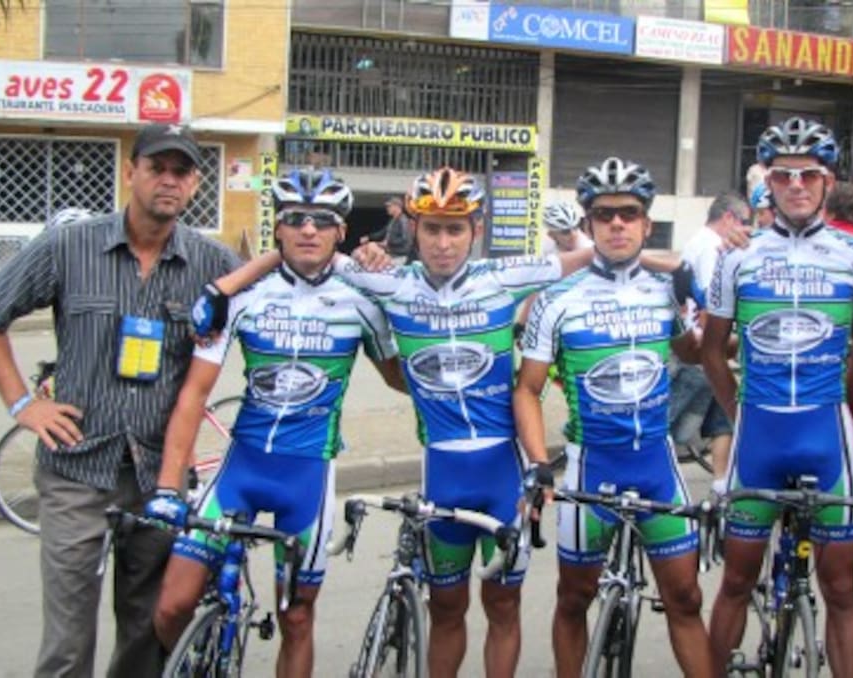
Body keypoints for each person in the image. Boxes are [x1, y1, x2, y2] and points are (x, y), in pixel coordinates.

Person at [196, 166, 631, 677]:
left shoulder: (501, 277)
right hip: (442, 474)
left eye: (455, 229)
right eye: (432, 229)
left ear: (476, 229)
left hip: (504, 476)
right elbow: (303, 251)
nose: (443, 243)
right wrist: (222, 289)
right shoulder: (389, 283)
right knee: (445, 611)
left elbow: (603, 253)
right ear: (414, 229)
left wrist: (676, 266)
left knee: (502, 606)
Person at [0, 123, 239, 678]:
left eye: (181, 172)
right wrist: (23, 406)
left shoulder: (212, 264)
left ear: (194, 184)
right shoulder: (69, 246)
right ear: (130, 172)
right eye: (156, 168)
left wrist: (365, 261)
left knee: (145, 633)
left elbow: (291, 286)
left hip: (158, 478)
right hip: (76, 471)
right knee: (68, 640)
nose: (168, 180)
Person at [147, 171, 404, 677]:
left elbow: (398, 378)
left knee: (297, 618)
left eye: (322, 221)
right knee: (171, 606)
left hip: (306, 476)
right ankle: (197, 660)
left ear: (341, 231)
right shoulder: (243, 296)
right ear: (278, 229)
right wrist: (166, 488)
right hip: (241, 469)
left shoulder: (361, 302)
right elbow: (193, 395)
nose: (308, 229)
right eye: (295, 219)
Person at [516, 157, 714, 678]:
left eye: (629, 213)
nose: (617, 224)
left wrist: (706, 312)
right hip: (591, 466)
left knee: (686, 598)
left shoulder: (663, 291)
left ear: (647, 223)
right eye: (604, 215)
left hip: (656, 464)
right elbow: (528, 390)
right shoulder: (557, 301)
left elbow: (692, 353)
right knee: (573, 599)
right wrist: (538, 464)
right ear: (589, 224)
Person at [701, 118, 853, 678]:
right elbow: (710, 351)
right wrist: (739, 412)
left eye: (808, 175)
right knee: (735, 581)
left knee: (840, 589)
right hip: (759, 435)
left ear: (828, 182)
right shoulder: (738, 255)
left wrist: (842, 408)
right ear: (767, 184)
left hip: (827, 434)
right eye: (783, 175)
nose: (796, 185)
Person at [670, 192, 747, 468]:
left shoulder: (697, 240)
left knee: (723, 420)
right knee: (671, 424)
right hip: (700, 349)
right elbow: (710, 304)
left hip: (700, 346)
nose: (745, 230)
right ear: (728, 218)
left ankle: (720, 480)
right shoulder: (713, 246)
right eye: (743, 222)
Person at [381, 195, 413, 261]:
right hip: (392, 254)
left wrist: (388, 242)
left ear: (396, 206)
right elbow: (383, 231)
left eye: (389, 206)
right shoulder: (392, 221)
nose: (387, 208)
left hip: (399, 256)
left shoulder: (403, 220)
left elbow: (405, 239)